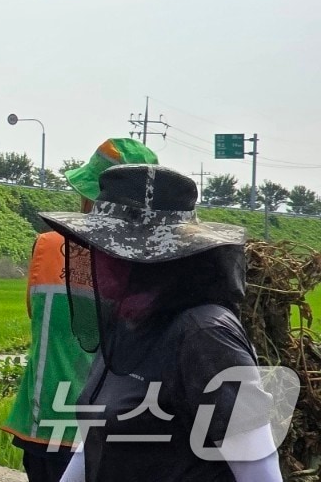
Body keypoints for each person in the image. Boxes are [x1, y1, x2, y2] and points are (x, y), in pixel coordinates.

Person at [40, 165, 282, 482]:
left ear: (149, 258)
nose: (97, 259)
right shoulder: (128, 324)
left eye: (111, 249)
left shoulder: (205, 335)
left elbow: (259, 469)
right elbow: (99, 437)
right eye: (98, 247)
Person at [2, 138, 157, 482]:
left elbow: (39, 317)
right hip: (121, 430)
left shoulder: (49, 246)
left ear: (90, 196)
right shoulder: (156, 264)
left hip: (49, 424)